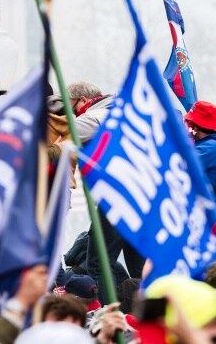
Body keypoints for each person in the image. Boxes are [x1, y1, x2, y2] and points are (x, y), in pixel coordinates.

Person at [66, 81, 145, 303]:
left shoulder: (98, 115)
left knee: (98, 262)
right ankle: (147, 314)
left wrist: (53, 120)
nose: (70, 111)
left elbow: (71, 132)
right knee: (137, 264)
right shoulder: (119, 109)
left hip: (116, 196)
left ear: (82, 100)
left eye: (71, 106)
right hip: (134, 195)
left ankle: (112, 316)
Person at [184, 100, 216, 202]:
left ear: (197, 126)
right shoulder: (202, 142)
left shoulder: (210, 147)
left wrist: (184, 137)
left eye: (191, 123)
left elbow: (183, 164)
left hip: (203, 211)